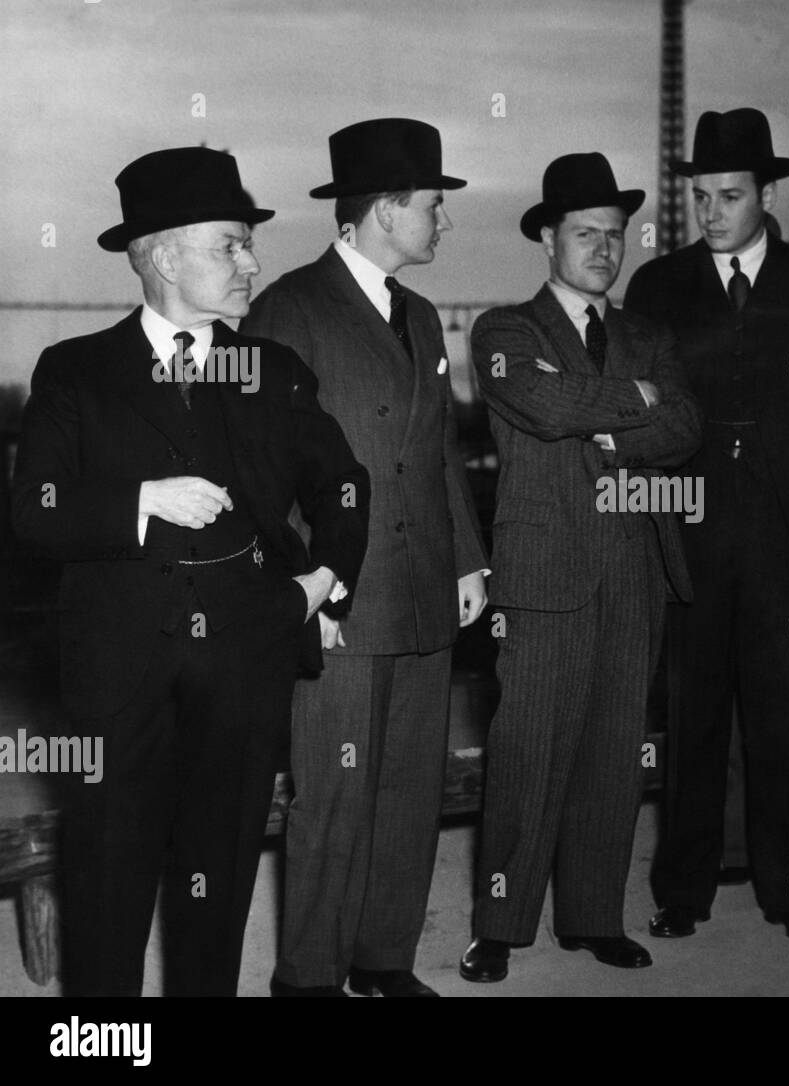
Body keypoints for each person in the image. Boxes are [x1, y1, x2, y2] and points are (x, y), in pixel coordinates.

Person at [12, 146, 369, 996]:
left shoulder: (272, 371)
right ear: (163, 255)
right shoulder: (77, 369)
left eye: (249, 244)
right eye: (230, 245)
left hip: (243, 662)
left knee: (220, 872)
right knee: (105, 867)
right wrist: (141, 498)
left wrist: (320, 584)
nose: (252, 263)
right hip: (115, 665)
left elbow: (345, 486)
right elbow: (33, 514)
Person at [242, 118, 487, 998]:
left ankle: (383, 962)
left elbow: (442, 454)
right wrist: (309, 590)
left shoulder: (422, 315)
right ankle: (306, 978)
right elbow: (264, 477)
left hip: (423, 591)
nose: (442, 223)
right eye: (432, 207)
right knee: (334, 797)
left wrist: (468, 560)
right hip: (343, 597)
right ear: (385, 211)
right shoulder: (288, 310)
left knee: (409, 788)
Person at [459, 152, 701, 983]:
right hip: (545, 567)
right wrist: (633, 402)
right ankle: (499, 923)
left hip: (637, 564)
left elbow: (686, 428)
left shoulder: (648, 335)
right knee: (527, 747)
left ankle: (594, 917)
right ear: (547, 241)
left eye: (616, 233)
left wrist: (608, 416)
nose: (604, 247)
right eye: (585, 233)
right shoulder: (504, 331)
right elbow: (539, 401)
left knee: (614, 751)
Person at [625, 108, 789, 944]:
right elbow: (644, 400)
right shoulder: (658, 287)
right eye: (701, 197)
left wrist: (781, 470)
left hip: (786, 532)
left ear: (768, 191)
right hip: (690, 535)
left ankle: (786, 887)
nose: (712, 212)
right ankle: (681, 887)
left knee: (777, 722)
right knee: (692, 721)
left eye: (730, 195)